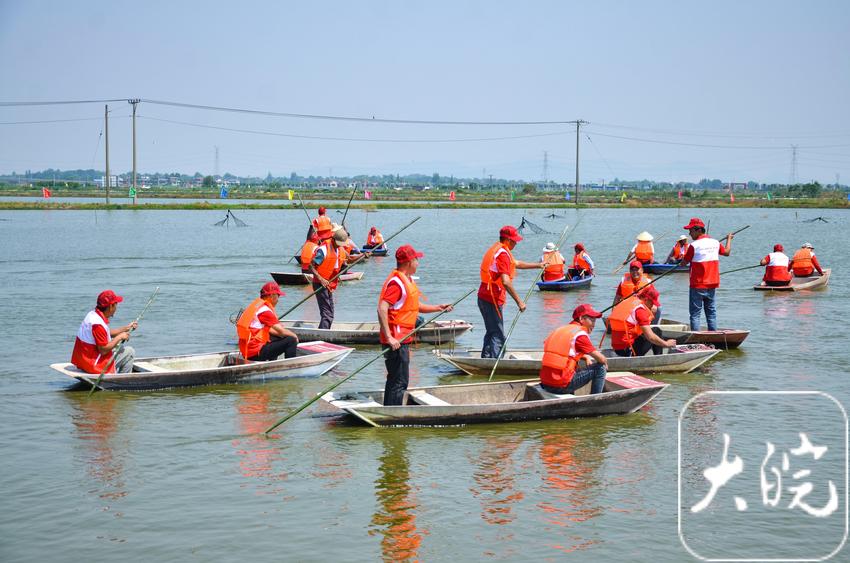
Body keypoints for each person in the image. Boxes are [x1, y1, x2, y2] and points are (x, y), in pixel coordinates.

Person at [378, 244, 453, 405]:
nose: (418, 263)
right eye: (416, 259)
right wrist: (390, 337)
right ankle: (392, 416)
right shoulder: (396, 283)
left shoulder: (407, 280)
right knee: (399, 381)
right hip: (396, 341)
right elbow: (382, 308)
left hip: (403, 339)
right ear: (408, 262)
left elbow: (414, 306)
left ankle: (390, 411)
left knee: (397, 380)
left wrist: (438, 308)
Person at [477, 225, 544, 358]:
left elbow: (516, 263)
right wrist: (520, 302)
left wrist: (538, 265)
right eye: (514, 240)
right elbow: (506, 281)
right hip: (492, 297)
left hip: (483, 295)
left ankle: (486, 360)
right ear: (507, 240)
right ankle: (495, 361)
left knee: (492, 331)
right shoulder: (503, 254)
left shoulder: (499, 249)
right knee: (498, 334)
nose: (516, 243)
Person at [539, 304, 608, 395]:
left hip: (546, 383)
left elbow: (564, 352)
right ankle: (596, 399)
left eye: (595, 321)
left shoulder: (561, 329)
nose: (594, 324)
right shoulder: (580, 335)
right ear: (581, 319)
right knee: (600, 368)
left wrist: (585, 357)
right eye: (592, 320)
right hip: (560, 386)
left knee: (574, 367)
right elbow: (601, 359)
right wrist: (605, 363)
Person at [680, 217, 733, 331]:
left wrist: (681, 262)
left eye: (691, 230)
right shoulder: (716, 243)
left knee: (695, 314)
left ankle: (696, 339)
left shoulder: (693, 246)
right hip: (712, 284)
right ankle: (713, 336)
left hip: (697, 285)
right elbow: (727, 252)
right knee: (711, 313)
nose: (689, 233)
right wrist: (729, 239)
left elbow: (683, 263)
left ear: (699, 230)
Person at [309, 218, 360, 329]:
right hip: (320, 284)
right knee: (327, 313)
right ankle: (322, 336)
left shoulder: (340, 249)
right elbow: (311, 265)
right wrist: (321, 279)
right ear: (334, 239)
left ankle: (324, 332)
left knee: (330, 312)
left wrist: (362, 255)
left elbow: (350, 259)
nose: (340, 245)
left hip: (329, 284)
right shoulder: (323, 249)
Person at [71, 290, 138, 374]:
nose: (116, 308)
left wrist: (126, 328)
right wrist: (119, 337)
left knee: (120, 348)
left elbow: (104, 333)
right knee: (129, 352)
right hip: (94, 366)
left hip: (83, 361)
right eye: (116, 305)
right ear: (110, 306)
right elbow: (103, 350)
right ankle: (123, 380)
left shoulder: (92, 315)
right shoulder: (98, 324)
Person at [236, 282, 299, 361]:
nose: (278, 300)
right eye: (278, 296)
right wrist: (295, 336)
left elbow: (271, 330)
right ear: (272, 296)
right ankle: (291, 367)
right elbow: (281, 331)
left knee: (277, 337)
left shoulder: (256, 307)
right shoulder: (265, 311)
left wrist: (281, 336)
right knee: (291, 340)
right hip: (255, 353)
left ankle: (272, 363)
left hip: (247, 352)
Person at [609, 287, 677, 357]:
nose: (653, 306)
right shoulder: (640, 310)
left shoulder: (628, 302)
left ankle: (658, 356)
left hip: (617, 349)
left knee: (649, 332)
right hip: (629, 351)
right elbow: (650, 337)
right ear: (646, 299)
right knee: (656, 331)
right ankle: (659, 359)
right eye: (652, 303)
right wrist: (666, 344)